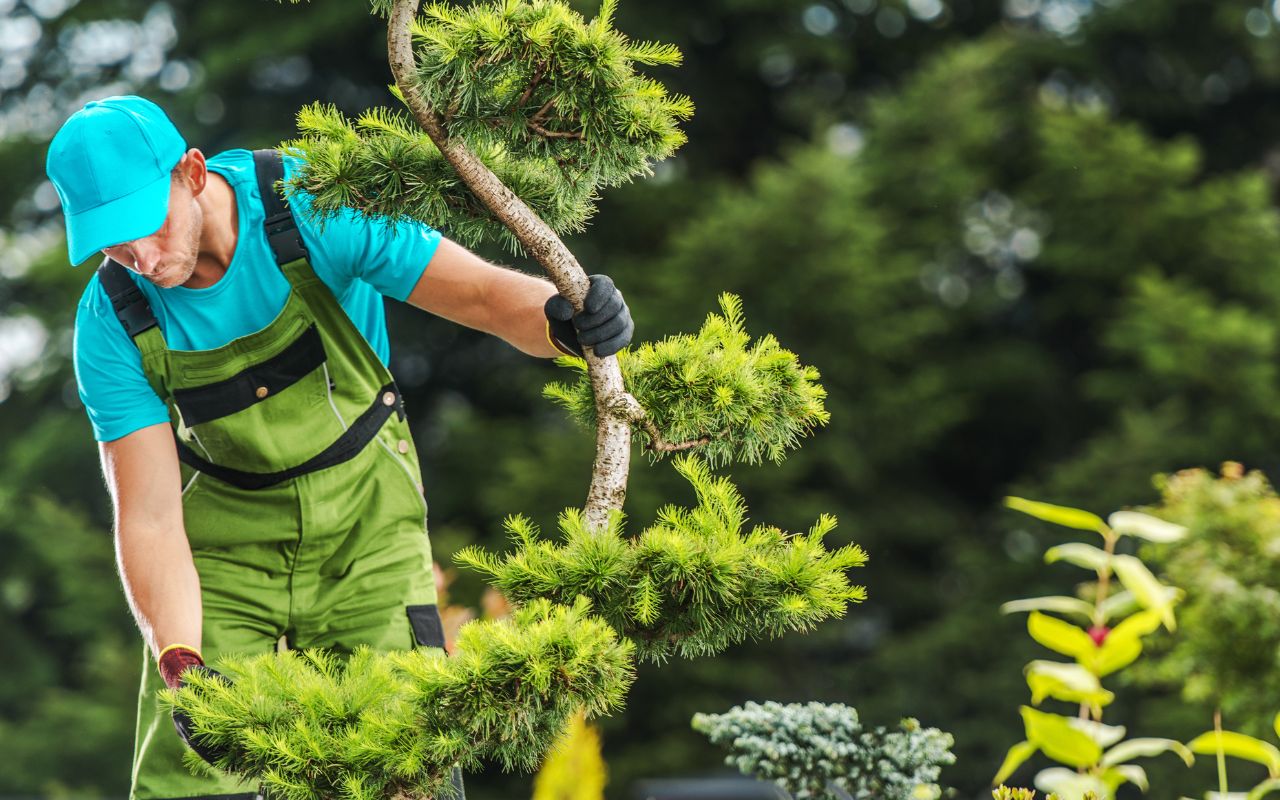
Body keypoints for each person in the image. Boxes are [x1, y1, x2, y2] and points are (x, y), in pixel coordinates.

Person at [45, 95, 634, 800]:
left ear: (193, 173)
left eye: (145, 226)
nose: (137, 257)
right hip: (227, 564)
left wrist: (562, 320)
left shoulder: (312, 204)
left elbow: (478, 296)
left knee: (406, 761)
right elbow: (148, 516)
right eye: (112, 245)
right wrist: (181, 659)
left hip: (367, 536)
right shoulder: (112, 320)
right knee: (190, 779)